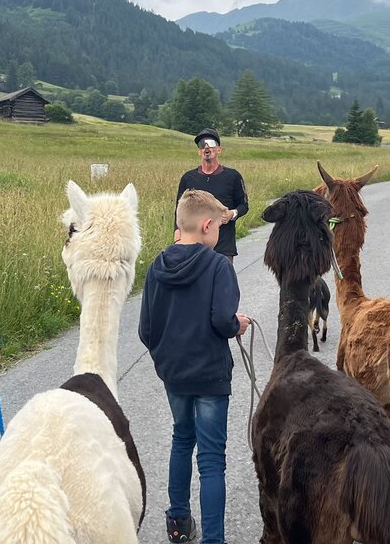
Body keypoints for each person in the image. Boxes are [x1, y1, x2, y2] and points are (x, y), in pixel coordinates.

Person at [140, 189, 250, 544]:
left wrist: (165, 356)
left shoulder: (157, 266)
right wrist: (238, 325)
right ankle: (213, 539)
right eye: (218, 227)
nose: (219, 234)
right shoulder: (218, 266)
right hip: (210, 376)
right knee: (212, 459)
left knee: (181, 438)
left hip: (174, 375)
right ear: (206, 225)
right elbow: (222, 320)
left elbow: (146, 330)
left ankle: (177, 522)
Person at [175, 128, 249, 263]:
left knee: (223, 281)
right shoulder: (188, 178)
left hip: (224, 243)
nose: (206, 148)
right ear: (199, 151)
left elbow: (244, 205)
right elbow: (179, 210)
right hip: (194, 245)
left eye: (210, 143)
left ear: (219, 149)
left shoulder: (233, 176)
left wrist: (232, 213)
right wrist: (177, 234)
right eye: (202, 145)